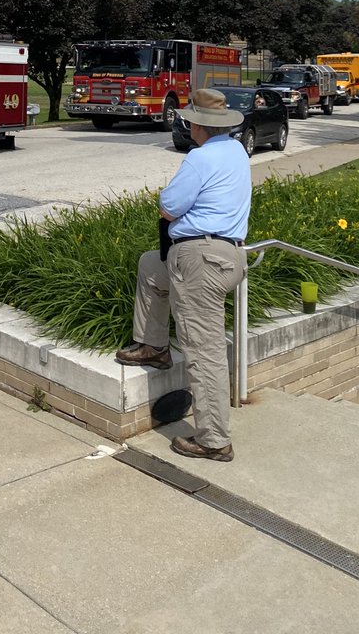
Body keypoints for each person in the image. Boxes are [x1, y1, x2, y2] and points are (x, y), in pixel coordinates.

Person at [116, 88, 250, 462]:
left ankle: (213, 440)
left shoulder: (200, 158)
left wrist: (178, 217)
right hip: (229, 257)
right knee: (151, 266)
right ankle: (153, 346)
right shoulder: (236, 151)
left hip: (200, 260)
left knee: (203, 351)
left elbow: (169, 207)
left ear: (196, 124)